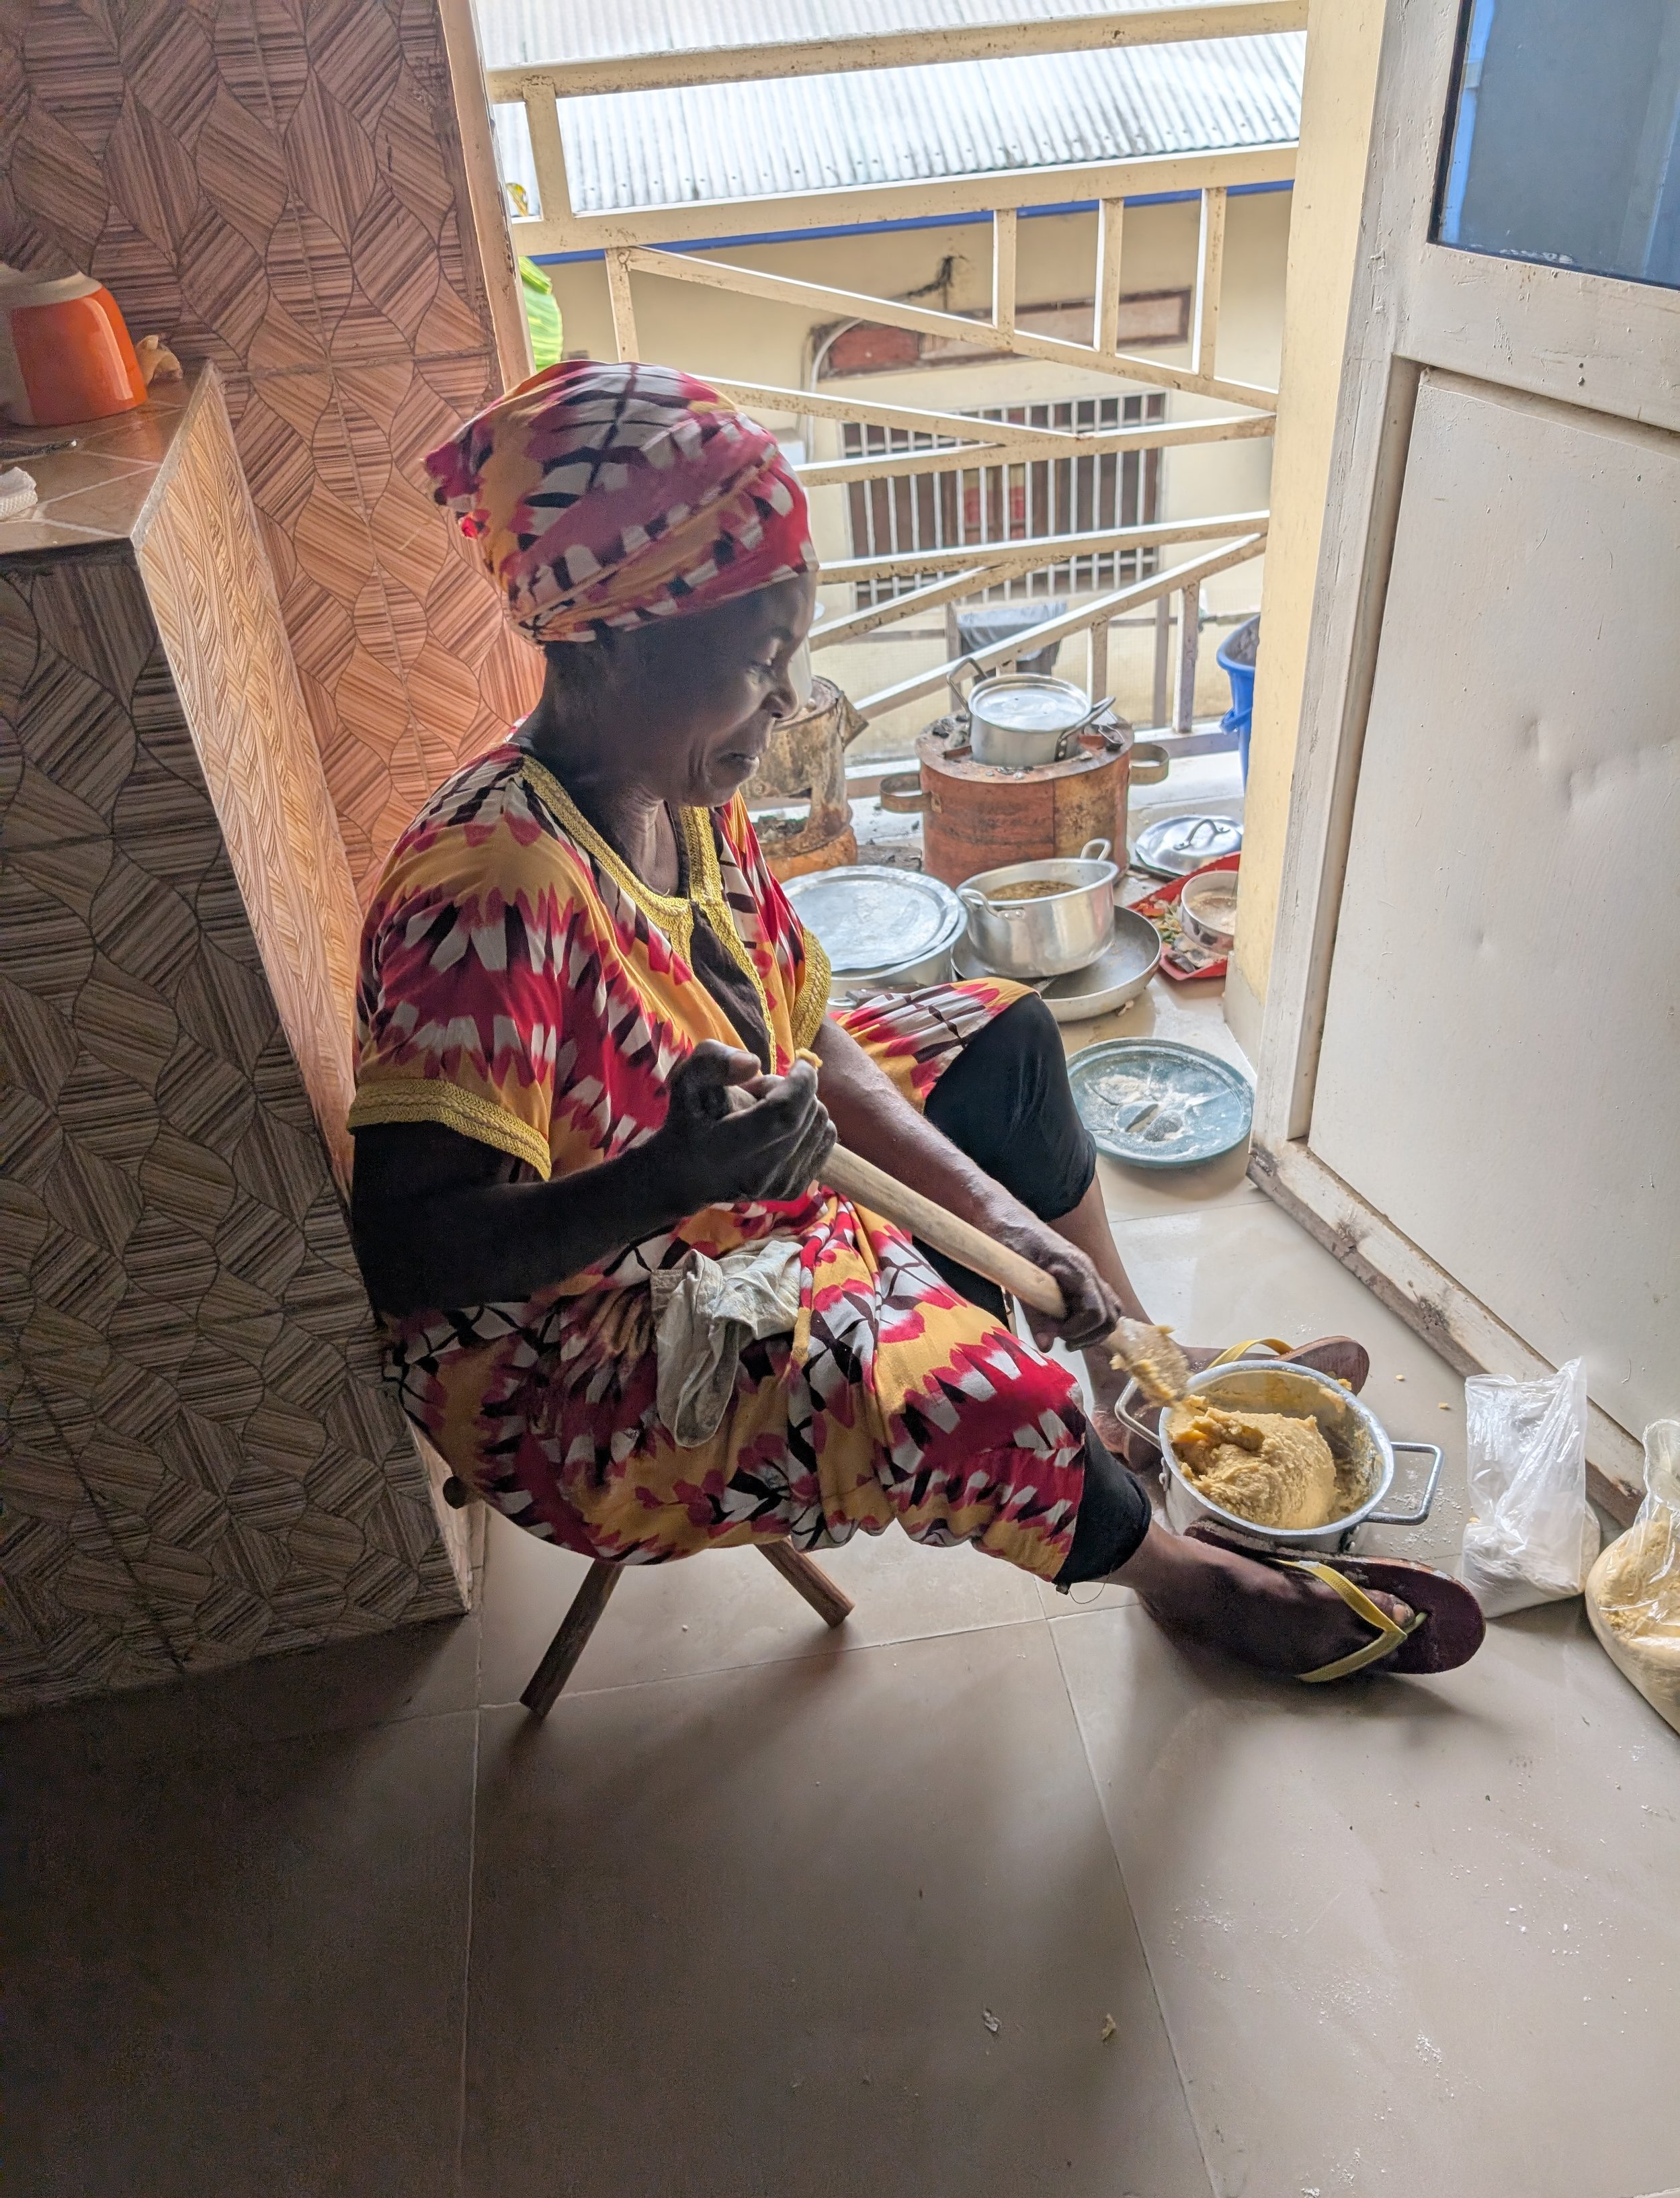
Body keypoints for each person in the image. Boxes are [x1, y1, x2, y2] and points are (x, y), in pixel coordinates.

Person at [345, 360, 1458, 1682]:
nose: (785, 701)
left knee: (1004, 1035)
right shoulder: (490, 892)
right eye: (758, 663)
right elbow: (407, 1257)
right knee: (955, 1384)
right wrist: (666, 1180)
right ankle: (1177, 1574)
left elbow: (803, 1041)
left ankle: (1134, 1370)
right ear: (616, 635)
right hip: (583, 1353)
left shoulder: (688, 795)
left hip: (738, 1190)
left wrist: (997, 1217)